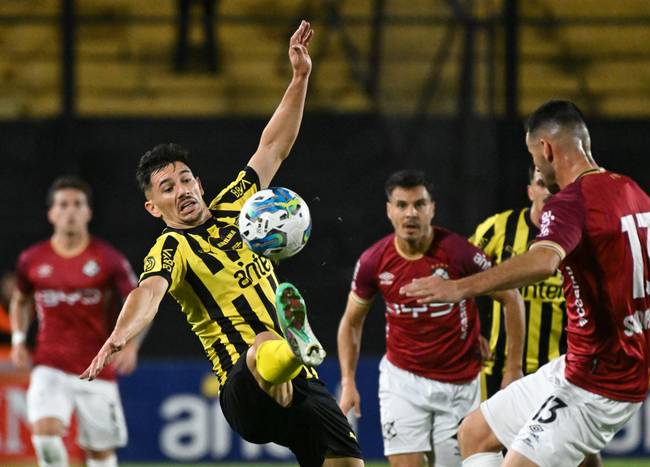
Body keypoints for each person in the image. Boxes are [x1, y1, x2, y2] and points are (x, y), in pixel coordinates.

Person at [80, 21, 364, 467]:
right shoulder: (171, 250)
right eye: (167, 188)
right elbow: (147, 294)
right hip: (243, 386)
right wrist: (119, 335)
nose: (183, 191)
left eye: (186, 179)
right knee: (264, 341)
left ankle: (293, 354)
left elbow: (274, 146)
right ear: (154, 208)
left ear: (200, 182)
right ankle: (291, 344)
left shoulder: (238, 204)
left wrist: (300, 78)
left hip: (301, 382)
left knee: (347, 464)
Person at [401, 100, 650, 467]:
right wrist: (636, 327)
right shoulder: (632, 191)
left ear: (546, 149)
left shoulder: (571, 202)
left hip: (597, 385)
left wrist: (459, 288)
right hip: (582, 366)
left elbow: (544, 261)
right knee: (474, 433)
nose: (535, 167)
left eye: (534, 157)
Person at [337, 170, 524, 467]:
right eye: (401, 205)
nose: (410, 213)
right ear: (389, 211)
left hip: (459, 383)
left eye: (419, 204)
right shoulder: (374, 260)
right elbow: (351, 321)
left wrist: (512, 368)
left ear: (432, 209)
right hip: (403, 380)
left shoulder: (458, 253)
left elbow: (511, 298)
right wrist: (348, 380)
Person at [470, 167, 603, 467]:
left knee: (583, 457)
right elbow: (458, 273)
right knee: (492, 448)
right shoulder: (497, 230)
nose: (547, 192)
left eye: (554, 186)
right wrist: (468, 331)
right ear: (530, 189)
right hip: (498, 370)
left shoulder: (580, 236)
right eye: (542, 184)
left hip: (559, 367)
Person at [10, 176, 143, 467]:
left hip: (97, 368)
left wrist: (131, 345)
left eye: (77, 204)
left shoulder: (108, 259)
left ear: (88, 212)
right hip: (50, 365)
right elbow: (20, 300)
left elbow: (138, 301)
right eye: (63, 205)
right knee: (44, 433)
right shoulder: (32, 259)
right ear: (51, 213)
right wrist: (18, 339)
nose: (70, 210)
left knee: (100, 453)